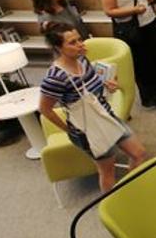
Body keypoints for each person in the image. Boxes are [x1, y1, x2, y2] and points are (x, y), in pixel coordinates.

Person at [37, 21, 146, 192]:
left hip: (107, 116)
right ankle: (112, 202)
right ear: (58, 48)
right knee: (107, 170)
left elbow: (91, 88)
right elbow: (45, 109)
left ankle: (131, 190)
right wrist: (68, 129)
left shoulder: (82, 59)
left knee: (138, 153)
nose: (80, 44)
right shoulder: (54, 78)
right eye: (72, 42)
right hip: (87, 131)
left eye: (79, 39)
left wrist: (108, 86)